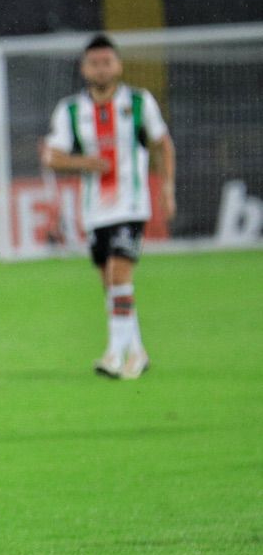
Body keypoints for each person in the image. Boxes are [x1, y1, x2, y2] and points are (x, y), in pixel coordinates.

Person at [40, 33, 176, 380]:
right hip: (94, 209)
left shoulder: (140, 102)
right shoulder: (71, 109)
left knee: (118, 274)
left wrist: (167, 188)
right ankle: (138, 352)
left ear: (119, 65)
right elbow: (51, 157)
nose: (101, 69)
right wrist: (84, 163)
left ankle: (114, 355)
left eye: (107, 62)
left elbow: (162, 144)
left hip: (131, 205)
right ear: (84, 68)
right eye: (94, 63)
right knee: (111, 284)